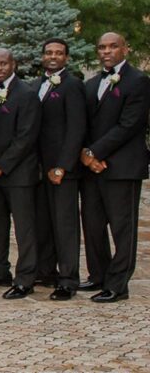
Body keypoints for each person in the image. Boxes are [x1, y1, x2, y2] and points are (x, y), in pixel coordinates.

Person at [79, 32, 150, 303]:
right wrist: (87, 155)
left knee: (122, 227)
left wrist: (94, 152)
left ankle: (118, 284)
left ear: (125, 49)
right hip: (92, 167)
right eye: (102, 47)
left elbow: (130, 125)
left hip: (123, 166)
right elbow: (84, 123)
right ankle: (99, 274)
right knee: (93, 225)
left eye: (112, 46)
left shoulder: (139, 81)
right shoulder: (92, 83)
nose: (106, 51)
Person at [0, 48, 41, 300]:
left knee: (24, 228)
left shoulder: (27, 95)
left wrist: (1, 165)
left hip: (19, 173)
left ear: (13, 64)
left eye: (3, 63)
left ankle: (26, 278)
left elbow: (26, 137)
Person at [33, 39, 86, 301]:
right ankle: (46, 271)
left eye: (58, 53)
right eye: (49, 53)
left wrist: (63, 166)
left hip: (60, 169)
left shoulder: (73, 85)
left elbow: (76, 128)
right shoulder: (36, 85)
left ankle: (68, 279)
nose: (53, 57)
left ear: (66, 57)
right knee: (43, 223)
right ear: (42, 56)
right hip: (38, 168)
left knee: (65, 225)